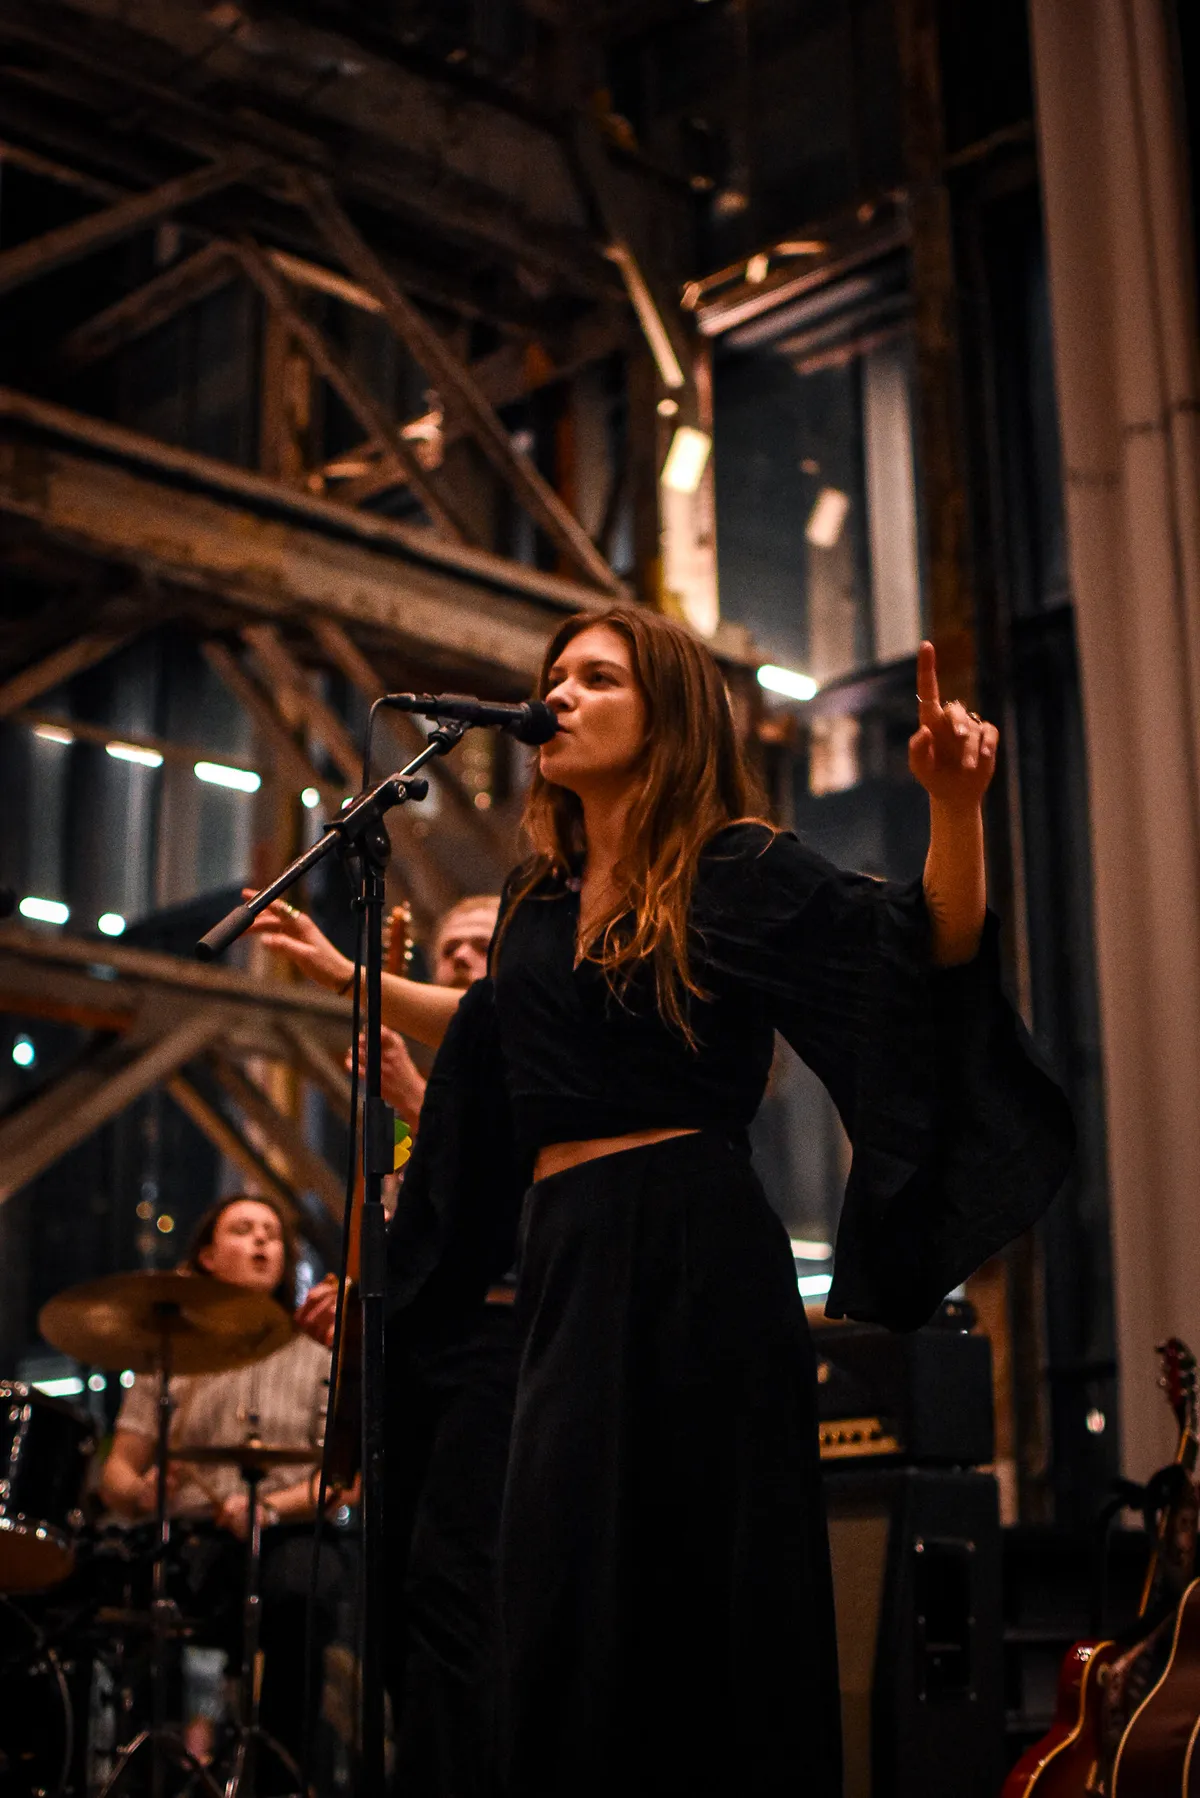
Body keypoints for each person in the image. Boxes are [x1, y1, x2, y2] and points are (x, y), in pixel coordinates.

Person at [267, 605, 1075, 1796]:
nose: (561, 694)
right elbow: (494, 1027)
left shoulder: (735, 867)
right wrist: (354, 978)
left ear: (669, 717)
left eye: (598, 677)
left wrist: (955, 805)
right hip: (567, 1260)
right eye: (555, 675)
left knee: (702, 1588)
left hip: (695, 1248)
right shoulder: (538, 899)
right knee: (556, 1586)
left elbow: (922, 950)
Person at [252, 893, 518, 1798]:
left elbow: (509, 1197)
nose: (463, 960)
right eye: (449, 950)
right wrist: (362, 1302)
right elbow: (403, 1233)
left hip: (494, 1347)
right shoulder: (409, 1107)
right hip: (416, 1358)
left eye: (482, 946)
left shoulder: (519, 1063)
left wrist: (414, 1094)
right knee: (394, 1601)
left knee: (458, 1591)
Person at [99, 1193, 341, 1781]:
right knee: (131, 1586)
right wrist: (139, 1492)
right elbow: (117, 1472)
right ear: (207, 1256)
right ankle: (153, 1769)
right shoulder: (171, 1352)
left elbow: (341, 1482)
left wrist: (269, 1509)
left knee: (303, 1589)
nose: (261, 1241)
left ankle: (282, 1773)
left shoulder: (319, 1353)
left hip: (286, 1531)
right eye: (243, 1230)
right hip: (190, 1533)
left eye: (272, 1234)